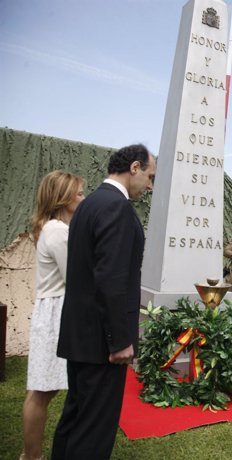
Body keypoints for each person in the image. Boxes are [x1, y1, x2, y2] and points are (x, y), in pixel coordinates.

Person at [52, 144, 156, 459]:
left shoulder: (88, 204)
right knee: (94, 430)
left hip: (81, 335)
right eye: (150, 177)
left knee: (75, 418)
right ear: (134, 167)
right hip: (102, 343)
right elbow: (110, 279)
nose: (150, 186)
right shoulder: (118, 207)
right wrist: (120, 340)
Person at [21, 171, 84, 460]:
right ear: (64, 198)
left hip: (55, 309)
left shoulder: (54, 228)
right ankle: (30, 456)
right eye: (79, 193)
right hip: (56, 312)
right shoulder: (58, 231)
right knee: (42, 391)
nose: (83, 198)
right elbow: (75, 277)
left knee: (46, 390)